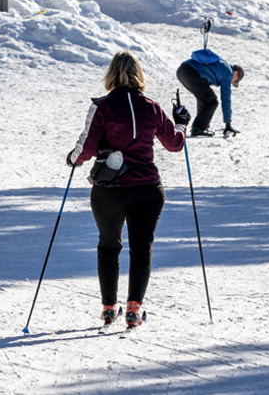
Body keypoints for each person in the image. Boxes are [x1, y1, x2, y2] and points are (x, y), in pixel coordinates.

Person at [68, 51, 188, 330]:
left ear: (111, 74)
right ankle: (134, 309)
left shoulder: (103, 106)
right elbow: (174, 144)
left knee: (108, 245)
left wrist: (73, 159)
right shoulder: (152, 107)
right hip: (148, 189)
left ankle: (109, 309)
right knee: (141, 248)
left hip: (111, 188)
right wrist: (181, 121)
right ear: (139, 75)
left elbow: (85, 148)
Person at [175, 48, 243, 136]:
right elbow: (226, 99)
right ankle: (198, 128)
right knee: (212, 101)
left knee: (204, 99)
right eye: (235, 81)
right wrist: (228, 124)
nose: (232, 83)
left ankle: (202, 126)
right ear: (236, 73)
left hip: (182, 70)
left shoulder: (222, 64)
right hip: (191, 72)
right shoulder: (228, 73)